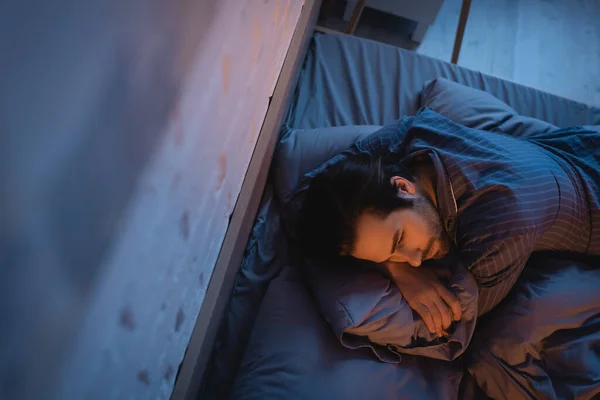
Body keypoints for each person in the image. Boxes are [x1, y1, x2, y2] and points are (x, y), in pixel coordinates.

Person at [298, 108, 600, 337]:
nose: (414, 262)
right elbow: (313, 191)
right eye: (393, 253)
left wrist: (397, 270)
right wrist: (394, 268)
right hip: (581, 146)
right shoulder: (417, 131)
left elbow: (460, 319)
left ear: (403, 187)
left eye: (400, 241)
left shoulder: (499, 228)